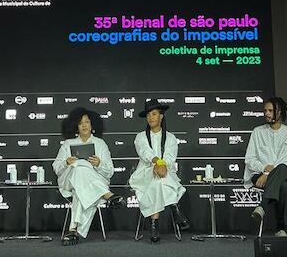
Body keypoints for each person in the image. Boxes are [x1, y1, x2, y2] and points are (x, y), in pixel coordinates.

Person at [53, 107, 125, 245]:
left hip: (88, 184)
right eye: (81, 123)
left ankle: (73, 230)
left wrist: (99, 164)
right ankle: (107, 195)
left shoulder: (100, 143)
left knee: (80, 187)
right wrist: (66, 162)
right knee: (79, 166)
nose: (84, 125)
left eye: (87, 122)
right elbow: (56, 169)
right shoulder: (68, 144)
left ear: (92, 125)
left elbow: (109, 171)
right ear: (76, 126)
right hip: (69, 181)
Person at [129, 99, 190, 243]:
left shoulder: (170, 137)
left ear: (161, 116)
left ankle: (154, 225)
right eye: (148, 115)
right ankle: (175, 210)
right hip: (144, 174)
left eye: (154, 114)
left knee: (159, 180)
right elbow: (144, 152)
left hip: (164, 173)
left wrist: (162, 164)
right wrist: (157, 162)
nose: (151, 117)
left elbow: (170, 156)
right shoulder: (140, 136)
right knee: (158, 177)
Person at [244, 97, 287, 237]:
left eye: (270, 110)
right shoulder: (257, 132)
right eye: (265, 110)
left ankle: (262, 206)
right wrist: (263, 167)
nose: (267, 113)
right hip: (261, 175)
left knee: (282, 168)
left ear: (279, 112)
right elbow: (250, 158)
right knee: (283, 185)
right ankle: (280, 229)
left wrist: (268, 174)